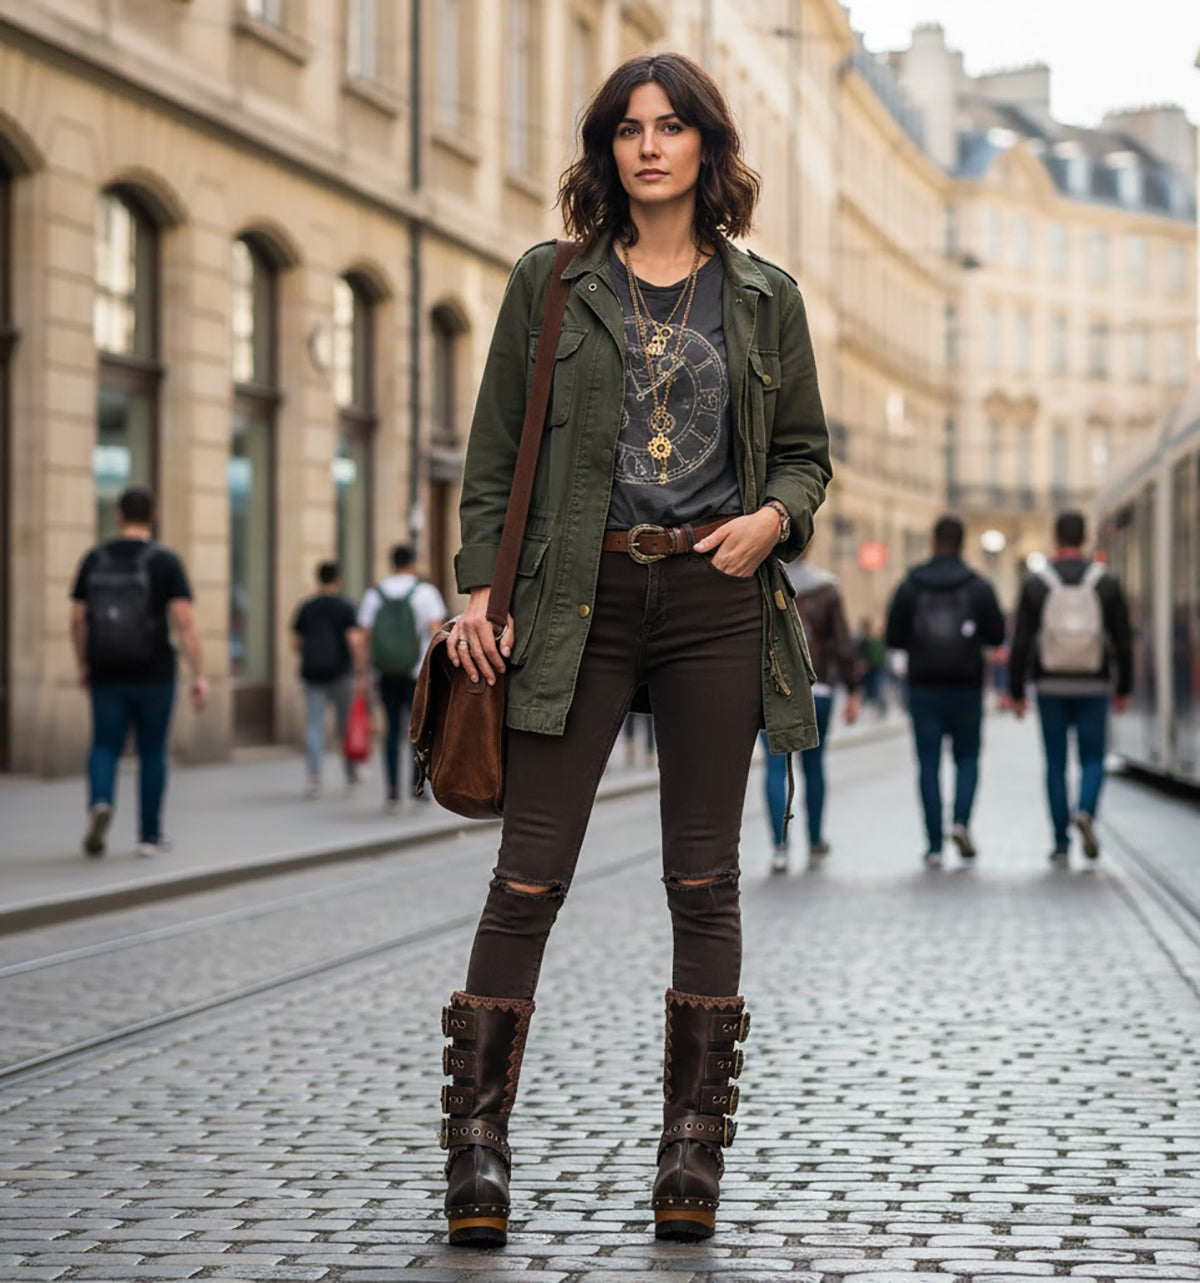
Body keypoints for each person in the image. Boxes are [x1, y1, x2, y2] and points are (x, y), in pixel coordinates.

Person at [436, 52, 830, 1248]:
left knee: (703, 880)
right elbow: (495, 452)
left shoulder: (766, 297)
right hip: (578, 603)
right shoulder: (550, 282)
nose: (648, 146)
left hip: (716, 602)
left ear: (708, 146)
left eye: (670, 127)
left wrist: (776, 516)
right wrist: (474, 592)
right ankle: (477, 1149)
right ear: (605, 149)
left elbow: (806, 452)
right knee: (528, 873)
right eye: (626, 129)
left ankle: (689, 1153)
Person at [69, 487, 208, 858]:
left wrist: (83, 661)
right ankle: (149, 836)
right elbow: (185, 620)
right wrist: (200, 672)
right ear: (154, 516)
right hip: (155, 672)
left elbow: (78, 619)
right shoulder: (165, 560)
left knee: (104, 745)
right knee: (151, 751)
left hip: (106, 670)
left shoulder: (94, 558)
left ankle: (100, 802)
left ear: (118, 516)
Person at [1008, 512, 1132, 863]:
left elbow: (1021, 642)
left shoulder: (1037, 583)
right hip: (1093, 685)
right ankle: (1086, 811)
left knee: (1055, 763)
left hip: (1050, 685)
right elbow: (1122, 640)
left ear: (1055, 538)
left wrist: (1016, 691)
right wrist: (1124, 686)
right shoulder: (1105, 582)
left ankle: (1060, 842)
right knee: (1093, 758)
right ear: (1085, 537)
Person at [885, 515, 1005, 868]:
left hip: (923, 687)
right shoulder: (978, 586)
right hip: (966, 687)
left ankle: (934, 844)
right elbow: (997, 636)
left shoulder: (910, 584)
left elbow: (893, 638)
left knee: (928, 764)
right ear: (963, 544)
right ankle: (960, 823)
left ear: (934, 542)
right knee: (967, 758)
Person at [762, 547, 860, 871]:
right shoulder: (826, 587)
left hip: (772, 689)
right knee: (815, 767)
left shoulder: (759, 581)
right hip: (819, 688)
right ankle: (815, 838)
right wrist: (853, 689)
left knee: (776, 768)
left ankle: (780, 845)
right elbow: (842, 644)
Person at [357, 546, 446, 811]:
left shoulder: (375, 594)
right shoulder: (425, 592)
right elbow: (435, 631)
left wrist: (362, 671)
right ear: (413, 562)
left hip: (385, 671)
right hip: (417, 673)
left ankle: (392, 790)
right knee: (417, 731)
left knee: (391, 730)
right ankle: (417, 788)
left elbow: (363, 634)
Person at [291, 561, 364, 798]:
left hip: (312, 673)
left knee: (314, 725)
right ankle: (350, 771)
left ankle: (314, 777)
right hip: (340, 673)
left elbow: (296, 643)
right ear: (338, 579)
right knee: (345, 725)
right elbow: (354, 640)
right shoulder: (345, 606)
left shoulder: (307, 607)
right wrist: (360, 669)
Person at [855, 618, 888, 716]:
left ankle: (881, 708)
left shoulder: (874, 640)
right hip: (870, 668)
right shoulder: (866, 640)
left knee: (876, 688)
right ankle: (869, 708)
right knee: (868, 689)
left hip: (877, 668)